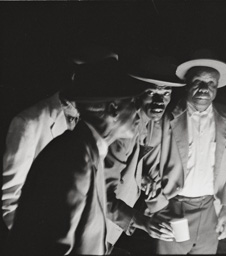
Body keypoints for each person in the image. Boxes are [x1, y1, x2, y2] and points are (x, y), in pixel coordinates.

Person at [5, 58, 145, 255]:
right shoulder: (74, 159)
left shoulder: (84, 150)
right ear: (113, 109)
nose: (138, 113)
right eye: (132, 103)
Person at [1, 47, 118, 230]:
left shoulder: (93, 120)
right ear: (74, 76)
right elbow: (10, 201)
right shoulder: (29, 122)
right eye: (93, 79)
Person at [150, 57, 226, 254]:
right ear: (187, 84)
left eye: (211, 83)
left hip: (210, 210)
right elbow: (151, 165)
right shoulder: (167, 116)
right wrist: (157, 208)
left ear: (217, 87)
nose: (204, 88)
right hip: (172, 207)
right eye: (198, 81)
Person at [104, 56, 185, 252]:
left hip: (114, 226)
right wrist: (143, 222)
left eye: (166, 93)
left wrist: (174, 223)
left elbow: (148, 173)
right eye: (151, 93)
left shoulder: (153, 124)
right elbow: (101, 195)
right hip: (97, 224)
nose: (159, 101)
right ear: (136, 93)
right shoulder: (124, 130)